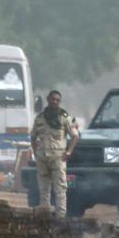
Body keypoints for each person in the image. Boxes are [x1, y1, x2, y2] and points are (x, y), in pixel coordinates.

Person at [30, 90, 79, 218]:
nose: (54, 102)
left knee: (60, 189)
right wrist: (36, 152)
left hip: (58, 157)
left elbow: (75, 136)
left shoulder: (64, 118)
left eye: (57, 100)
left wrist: (68, 152)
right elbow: (33, 137)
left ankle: (60, 218)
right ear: (48, 99)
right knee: (44, 188)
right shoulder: (40, 118)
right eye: (52, 99)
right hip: (42, 158)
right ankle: (44, 215)